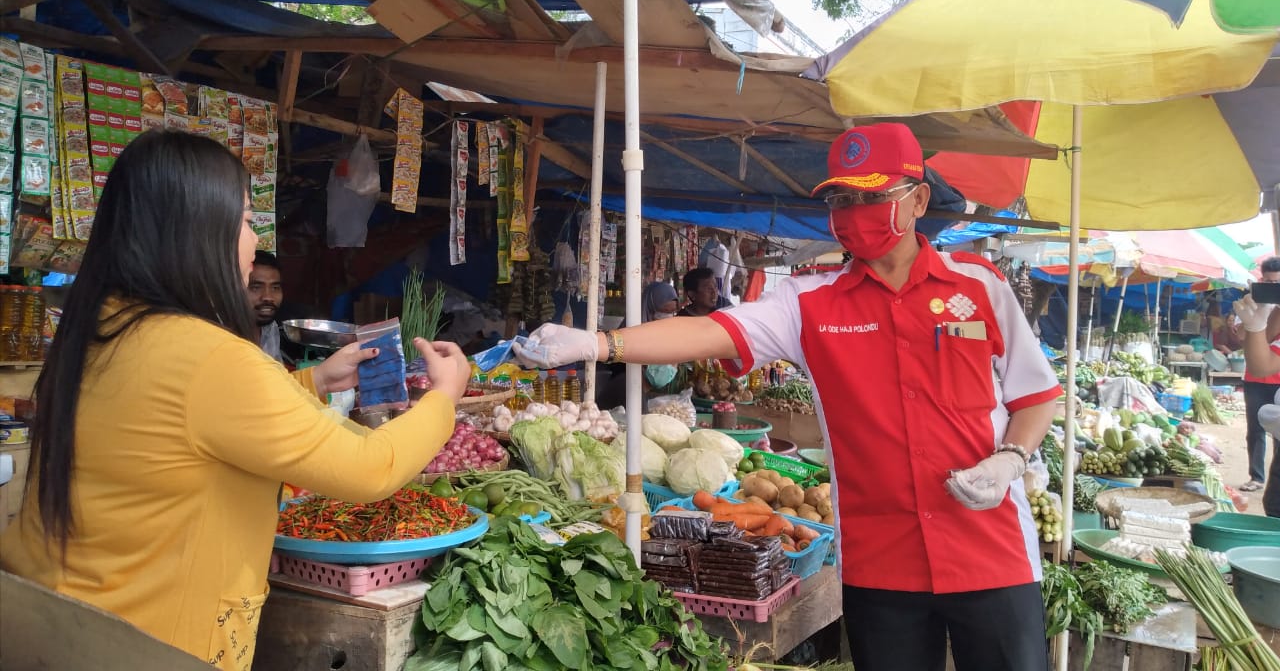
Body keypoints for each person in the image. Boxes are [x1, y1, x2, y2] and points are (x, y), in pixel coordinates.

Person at [514, 123, 1060, 671]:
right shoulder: (808, 301)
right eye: (843, 199)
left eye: (872, 197)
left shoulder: (979, 286)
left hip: (992, 550)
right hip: (882, 559)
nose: (854, 212)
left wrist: (1010, 460)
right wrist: (599, 342)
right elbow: (712, 332)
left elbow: (1035, 395)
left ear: (917, 199)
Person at [0, 130, 470, 670]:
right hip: (150, 642)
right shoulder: (209, 356)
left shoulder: (99, 328)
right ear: (198, 231)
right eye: (247, 221)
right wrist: (444, 399)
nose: (253, 243)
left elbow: (190, 426)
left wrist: (314, 382)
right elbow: (371, 468)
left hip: (51, 624)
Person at [1233, 259, 1280, 493]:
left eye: (1277, 283)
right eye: (1269, 282)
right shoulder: (1254, 304)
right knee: (1255, 429)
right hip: (1255, 378)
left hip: (1276, 378)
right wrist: (1260, 315)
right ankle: (1257, 476)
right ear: (1261, 280)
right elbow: (1245, 336)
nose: (1273, 287)